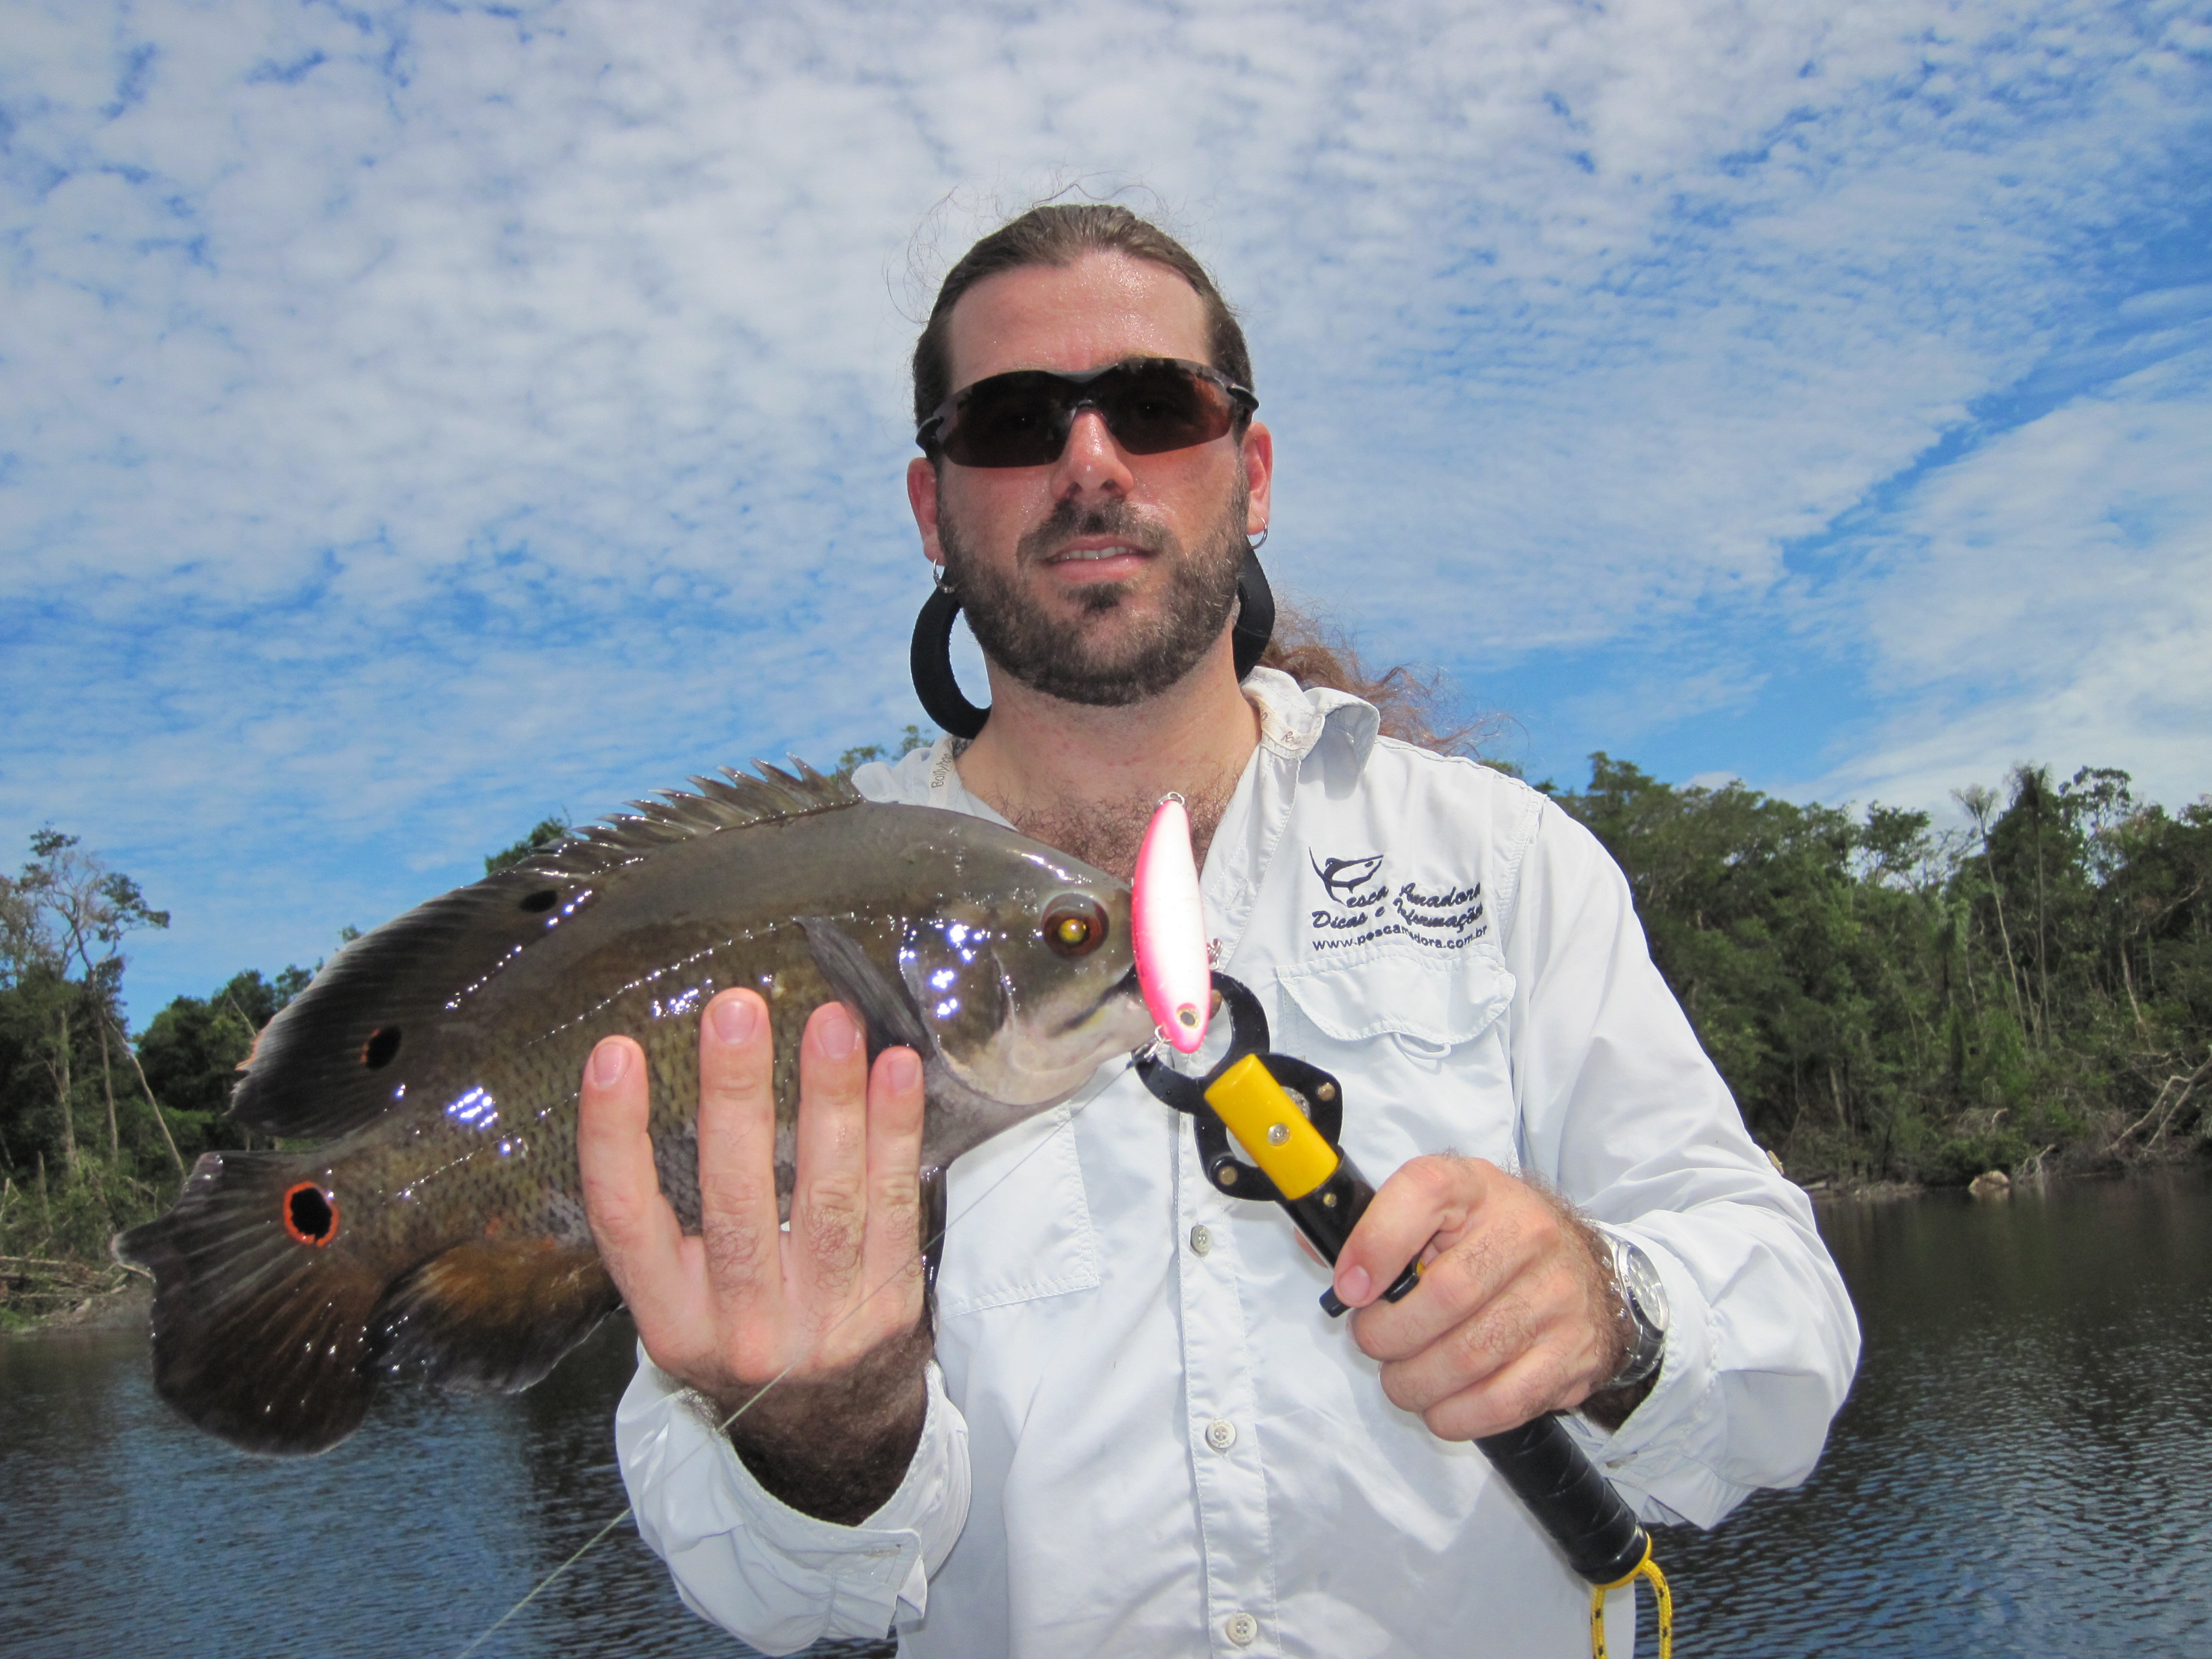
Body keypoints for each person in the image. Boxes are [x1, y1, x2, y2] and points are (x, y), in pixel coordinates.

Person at [577, 205, 1860, 1658]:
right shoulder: (780, 928)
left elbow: (1790, 1349)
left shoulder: (1506, 863)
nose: (1090, 463)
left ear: (1249, 476)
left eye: (1153, 405)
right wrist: (826, 1433)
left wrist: (1610, 1310)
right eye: (1012, 421)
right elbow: (766, 1594)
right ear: (934, 511)